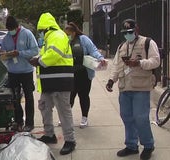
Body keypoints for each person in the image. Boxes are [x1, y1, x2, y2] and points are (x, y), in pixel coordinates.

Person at [105, 19, 160, 160]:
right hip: (125, 87)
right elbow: (116, 65)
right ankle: (131, 145)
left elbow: (156, 60)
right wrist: (111, 80)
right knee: (127, 117)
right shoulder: (122, 47)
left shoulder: (147, 43)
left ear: (136, 29)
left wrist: (140, 63)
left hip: (141, 87)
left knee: (141, 118)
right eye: (125, 33)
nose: (128, 35)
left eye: (130, 32)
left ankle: (148, 145)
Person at [29, 12, 76, 155]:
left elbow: (54, 55)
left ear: (47, 28)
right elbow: (47, 54)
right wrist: (38, 58)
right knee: (44, 108)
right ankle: (49, 135)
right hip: (49, 82)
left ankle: (70, 140)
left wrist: (38, 61)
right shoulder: (49, 39)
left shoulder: (57, 36)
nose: (41, 34)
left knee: (64, 112)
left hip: (61, 82)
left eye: (42, 31)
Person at [64, 22, 107, 128]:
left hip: (83, 73)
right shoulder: (65, 41)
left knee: (83, 96)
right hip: (71, 73)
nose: (68, 36)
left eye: (69, 33)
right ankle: (66, 117)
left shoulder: (83, 39)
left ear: (74, 32)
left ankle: (84, 117)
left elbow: (93, 50)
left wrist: (100, 58)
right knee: (69, 96)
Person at [0, 16, 38, 132]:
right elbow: (1, 54)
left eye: (12, 29)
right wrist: (5, 55)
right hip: (13, 72)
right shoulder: (6, 38)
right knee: (14, 99)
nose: (11, 32)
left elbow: (35, 50)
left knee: (29, 97)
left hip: (26, 71)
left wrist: (19, 53)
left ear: (17, 27)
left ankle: (30, 123)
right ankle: (18, 121)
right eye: (9, 30)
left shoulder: (27, 34)